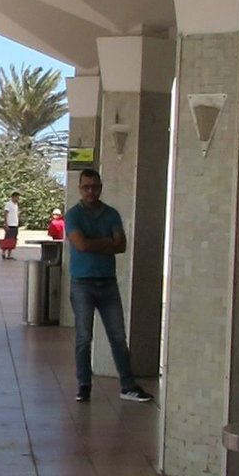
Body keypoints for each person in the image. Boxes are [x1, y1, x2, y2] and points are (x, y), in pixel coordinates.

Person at [63, 167, 153, 404]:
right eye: (86, 187)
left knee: (118, 337)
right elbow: (80, 245)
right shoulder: (73, 215)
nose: (90, 191)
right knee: (84, 337)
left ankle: (128, 385)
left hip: (107, 284)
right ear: (80, 189)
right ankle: (84, 385)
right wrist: (106, 243)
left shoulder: (111, 214)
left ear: (100, 188)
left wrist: (95, 243)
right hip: (82, 284)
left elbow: (121, 245)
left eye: (94, 187)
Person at [1, 191, 20, 260]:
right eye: (17, 197)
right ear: (13, 197)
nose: (17, 199)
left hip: (15, 224)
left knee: (13, 240)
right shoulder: (8, 204)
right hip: (10, 224)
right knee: (7, 239)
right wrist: (6, 223)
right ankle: (3, 252)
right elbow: (5, 213)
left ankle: (9, 254)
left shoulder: (16, 205)